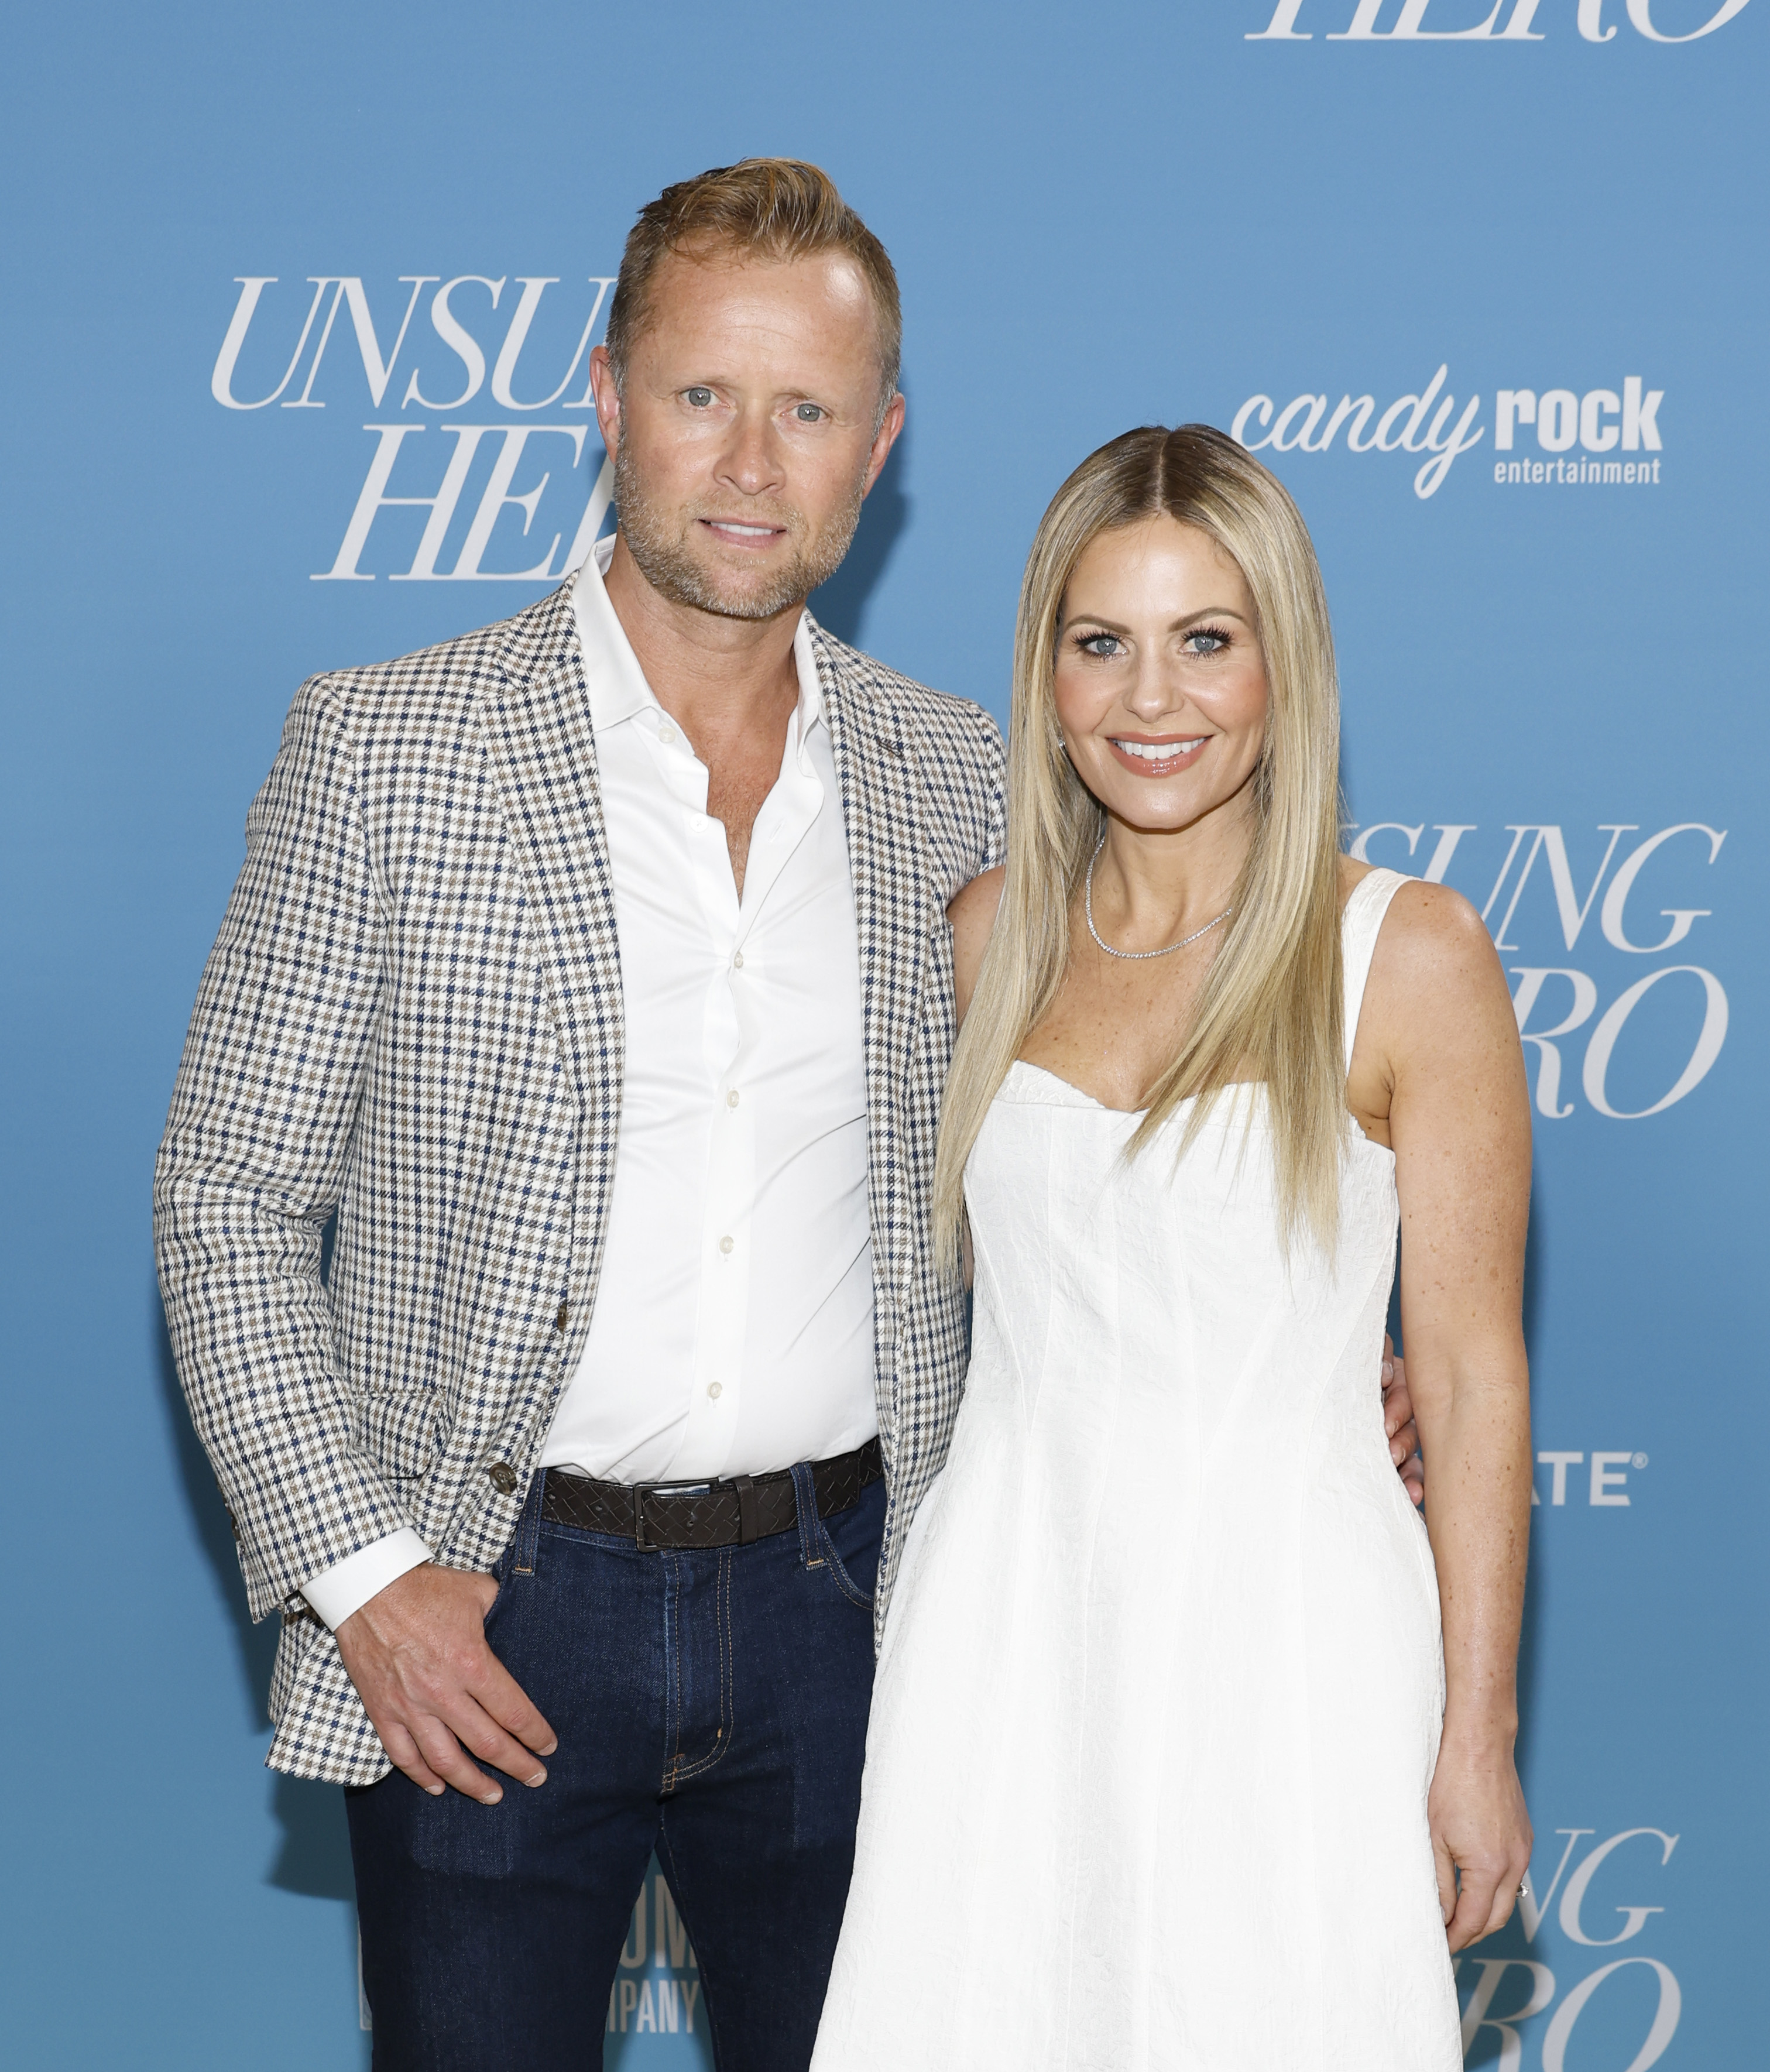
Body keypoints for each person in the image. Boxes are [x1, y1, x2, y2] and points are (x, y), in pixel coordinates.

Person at [155, 163, 1424, 2071]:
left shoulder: (966, 783)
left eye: (810, 409)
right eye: (701, 396)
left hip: (874, 1605)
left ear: (880, 444)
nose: (752, 461)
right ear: (606, 399)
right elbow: (227, 1195)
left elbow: (1099, 1120)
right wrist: (362, 1576)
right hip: (494, 1607)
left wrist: (1310, 1352)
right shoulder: (384, 745)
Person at [812, 425, 1535, 2072]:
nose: (1154, 699)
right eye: (1103, 643)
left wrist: (1476, 1734)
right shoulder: (980, 939)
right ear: (1046, 669)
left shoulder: (1407, 956)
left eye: (1206, 639)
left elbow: (1479, 1374)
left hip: (1290, 1626)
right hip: (1004, 1617)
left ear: (1285, 660)